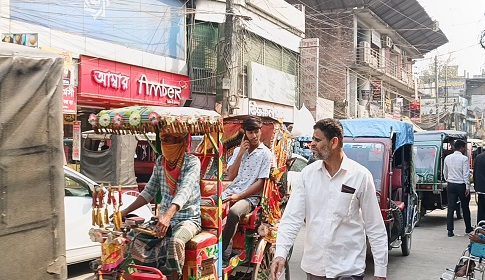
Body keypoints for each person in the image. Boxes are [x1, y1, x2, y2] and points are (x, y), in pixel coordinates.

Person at [270, 118, 388, 280]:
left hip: (348, 269)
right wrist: (280, 254)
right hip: (315, 268)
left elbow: (375, 226)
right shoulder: (307, 175)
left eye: (317, 140)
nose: (312, 144)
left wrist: (380, 271)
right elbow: (292, 218)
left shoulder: (360, 176)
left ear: (334, 142)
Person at [120, 132, 201, 280]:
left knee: (175, 242)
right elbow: (149, 191)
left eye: (170, 141)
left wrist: (167, 216)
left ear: (180, 142)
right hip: (163, 219)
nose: (166, 145)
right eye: (164, 140)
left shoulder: (192, 162)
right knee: (131, 238)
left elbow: (184, 191)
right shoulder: (160, 162)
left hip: (188, 219)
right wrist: (124, 211)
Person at [221, 116, 273, 260]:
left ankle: (222, 251)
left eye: (257, 132)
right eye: (251, 133)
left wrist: (240, 196)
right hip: (231, 190)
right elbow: (231, 175)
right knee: (208, 205)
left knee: (234, 212)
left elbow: (261, 183)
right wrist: (240, 154)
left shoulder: (265, 154)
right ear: (245, 133)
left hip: (250, 197)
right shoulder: (238, 151)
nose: (254, 136)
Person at [444, 139, 473, 237]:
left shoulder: (447, 158)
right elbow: (466, 174)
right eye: (464, 148)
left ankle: (450, 230)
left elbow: (445, 172)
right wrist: (467, 187)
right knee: (465, 207)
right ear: (461, 148)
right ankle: (468, 228)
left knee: (451, 207)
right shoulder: (464, 159)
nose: (465, 149)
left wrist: (448, 179)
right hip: (461, 185)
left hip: (451, 184)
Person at [474, 151, 485, 222]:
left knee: (481, 209)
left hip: (480, 188)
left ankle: (481, 226)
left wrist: (476, 186)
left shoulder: (478, 157)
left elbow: (475, 173)